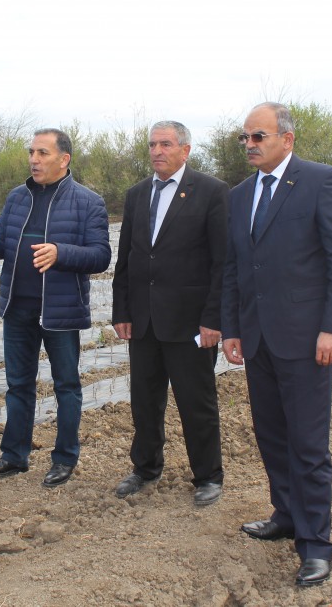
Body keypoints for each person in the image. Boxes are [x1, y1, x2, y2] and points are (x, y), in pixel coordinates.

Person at [221, 102, 332, 587]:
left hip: (306, 338)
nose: (250, 146)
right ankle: (284, 515)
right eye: (245, 138)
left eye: (259, 137)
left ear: (287, 138)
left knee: (307, 444)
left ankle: (316, 543)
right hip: (258, 338)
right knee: (271, 436)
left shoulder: (321, 181)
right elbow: (235, 268)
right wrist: (233, 328)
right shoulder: (240, 196)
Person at [0, 128, 111, 488]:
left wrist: (62, 254)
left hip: (60, 312)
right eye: (32, 152)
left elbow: (100, 256)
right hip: (18, 309)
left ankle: (64, 459)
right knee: (18, 385)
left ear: (64, 159)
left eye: (43, 153)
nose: (34, 159)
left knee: (66, 386)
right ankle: (14, 456)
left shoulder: (88, 202)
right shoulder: (17, 198)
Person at [111, 120, 228, 507]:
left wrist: (215, 319)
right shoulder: (137, 194)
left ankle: (208, 476)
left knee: (197, 402)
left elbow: (221, 263)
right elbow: (127, 257)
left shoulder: (211, 192)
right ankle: (145, 468)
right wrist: (121, 310)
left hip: (189, 322)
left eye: (165, 144)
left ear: (185, 150)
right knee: (144, 400)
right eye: (152, 145)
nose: (157, 151)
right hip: (143, 320)